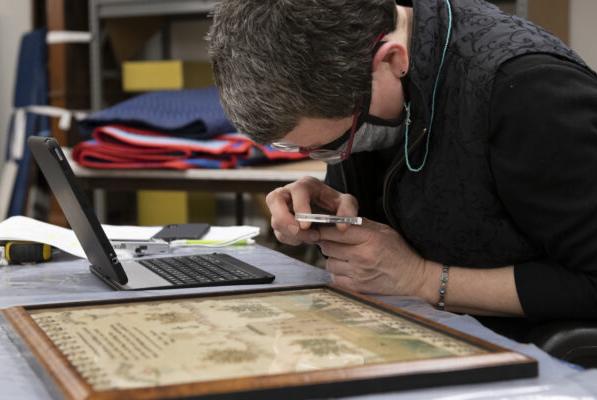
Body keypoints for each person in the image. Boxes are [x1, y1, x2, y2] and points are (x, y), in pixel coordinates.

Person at [208, 0, 597, 339]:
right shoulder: (354, 67)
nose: (325, 155)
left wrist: (424, 279)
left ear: (392, 60)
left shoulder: (528, 92)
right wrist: (339, 208)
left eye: (331, 145)